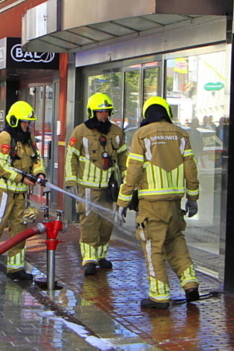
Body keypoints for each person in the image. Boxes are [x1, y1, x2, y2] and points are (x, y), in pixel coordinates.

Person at [117, 96, 200, 310]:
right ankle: (190, 284)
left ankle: (159, 296)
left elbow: (133, 170)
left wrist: (123, 201)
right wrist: (192, 198)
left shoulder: (142, 135)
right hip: (174, 202)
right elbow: (191, 169)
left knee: (153, 247)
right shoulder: (181, 134)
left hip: (151, 203)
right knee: (176, 241)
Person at [0, 101, 46, 281]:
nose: (27, 125)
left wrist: (40, 173)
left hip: (21, 194)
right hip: (3, 193)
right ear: (15, 120)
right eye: (24, 121)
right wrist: (20, 178)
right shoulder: (5, 138)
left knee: (19, 228)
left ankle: (15, 269)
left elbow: (36, 160)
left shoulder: (29, 139)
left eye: (29, 122)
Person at [65, 92, 128, 275]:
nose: (104, 115)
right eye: (100, 112)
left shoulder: (116, 131)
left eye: (106, 112)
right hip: (88, 186)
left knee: (106, 222)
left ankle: (101, 255)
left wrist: (126, 178)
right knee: (89, 222)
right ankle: (89, 258)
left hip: (110, 187)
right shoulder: (80, 131)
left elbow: (124, 157)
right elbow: (71, 157)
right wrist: (71, 180)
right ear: (92, 112)